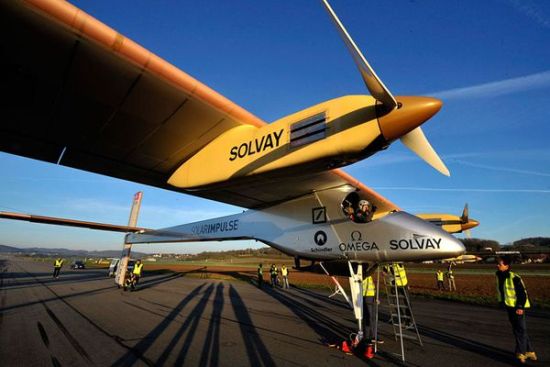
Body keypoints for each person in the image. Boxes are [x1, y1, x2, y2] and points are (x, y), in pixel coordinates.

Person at [496, 257, 537, 363]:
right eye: (498, 264)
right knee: (519, 329)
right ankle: (530, 351)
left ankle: (521, 352)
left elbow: (522, 294)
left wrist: (520, 307)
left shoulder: (514, 277)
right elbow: (502, 291)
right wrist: (501, 302)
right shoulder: (499, 276)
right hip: (509, 306)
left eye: (500, 264)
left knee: (520, 330)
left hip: (517, 307)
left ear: (507, 266)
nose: (498, 265)